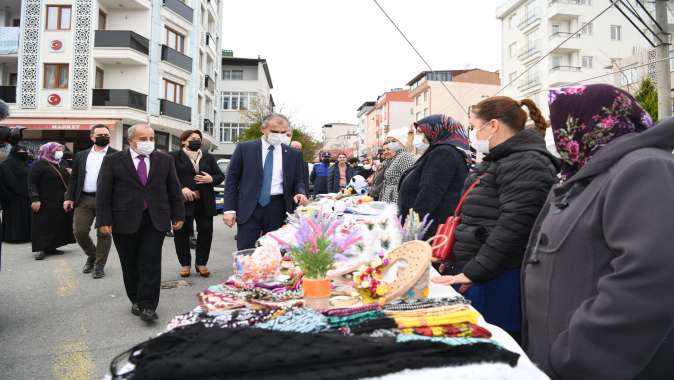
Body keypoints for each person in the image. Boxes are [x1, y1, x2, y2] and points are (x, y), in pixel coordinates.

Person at [522, 84, 674, 379]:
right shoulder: (587, 175)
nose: (557, 136)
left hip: (592, 366)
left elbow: (648, 280)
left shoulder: (644, 168)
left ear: (585, 122)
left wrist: (578, 356)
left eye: (561, 122)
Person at [431, 96, 559, 342]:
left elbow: (515, 226)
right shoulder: (499, 160)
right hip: (479, 272)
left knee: (494, 347)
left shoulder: (527, 162)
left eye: (473, 126)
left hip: (499, 278)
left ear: (493, 126)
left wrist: (473, 272)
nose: (471, 133)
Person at [96, 123, 185, 322]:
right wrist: (103, 220)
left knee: (150, 261)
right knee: (130, 263)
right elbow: (103, 193)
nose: (148, 142)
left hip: (155, 219)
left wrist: (178, 215)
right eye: (143, 139)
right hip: (123, 220)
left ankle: (148, 305)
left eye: (151, 138)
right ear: (130, 141)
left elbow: (174, 189)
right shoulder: (113, 161)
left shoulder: (165, 160)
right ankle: (135, 298)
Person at [223, 114, 308, 250]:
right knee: (246, 251)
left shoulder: (293, 154)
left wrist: (300, 192)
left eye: (283, 132)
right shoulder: (245, 149)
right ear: (263, 129)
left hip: (278, 208)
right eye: (274, 131)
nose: (279, 135)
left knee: (274, 252)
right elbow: (232, 180)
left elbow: (298, 180)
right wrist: (229, 209)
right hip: (249, 208)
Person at [397, 115, 470, 239]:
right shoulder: (438, 151)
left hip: (429, 229)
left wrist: (412, 229)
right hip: (426, 226)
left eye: (422, 132)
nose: (420, 138)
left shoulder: (444, 153)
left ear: (437, 130)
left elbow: (429, 193)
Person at [64, 125, 117, 278]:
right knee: (79, 231)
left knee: (104, 234)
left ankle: (99, 265)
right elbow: (74, 178)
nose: (104, 137)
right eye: (100, 134)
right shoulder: (81, 155)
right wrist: (68, 197)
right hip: (85, 199)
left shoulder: (117, 155)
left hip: (107, 201)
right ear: (92, 137)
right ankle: (92, 255)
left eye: (106, 134)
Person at [170, 130, 224, 278]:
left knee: (206, 231)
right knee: (181, 233)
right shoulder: (173, 157)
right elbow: (168, 177)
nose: (196, 141)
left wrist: (211, 179)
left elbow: (220, 176)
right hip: (182, 201)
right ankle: (185, 264)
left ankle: (201, 263)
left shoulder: (208, 157)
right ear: (183, 141)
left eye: (198, 139)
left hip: (205, 201)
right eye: (192, 138)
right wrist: (181, 188)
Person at [29, 142, 75, 260]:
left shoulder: (60, 164)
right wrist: (35, 199)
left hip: (59, 201)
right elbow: (32, 182)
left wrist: (70, 173)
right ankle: (41, 248)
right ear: (49, 150)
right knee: (43, 224)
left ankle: (52, 247)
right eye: (57, 150)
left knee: (56, 224)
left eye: (60, 150)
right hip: (44, 201)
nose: (59, 152)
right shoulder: (39, 164)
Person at [0, 145, 32, 243]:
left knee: (24, 217)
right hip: (11, 197)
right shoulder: (4, 165)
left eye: (24, 150)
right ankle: (13, 237)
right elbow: (2, 182)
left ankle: (26, 236)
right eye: (21, 151)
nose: (23, 152)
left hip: (26, 196)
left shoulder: (24, 164)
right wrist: (7, 195)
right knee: (14, 218)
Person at [380, 129, 416, 204]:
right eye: (388, 141)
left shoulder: (404, 156)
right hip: (389, 199)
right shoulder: (395, 157)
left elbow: (411, 180)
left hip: (397, 199)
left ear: (401, 142)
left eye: (393, 141)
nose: (390, 144)